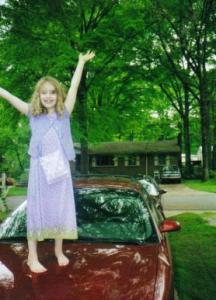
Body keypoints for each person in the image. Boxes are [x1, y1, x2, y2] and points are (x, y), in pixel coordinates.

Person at [0, 50, 95, 273]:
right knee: (37, 209)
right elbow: (9, 96)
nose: (49, 96)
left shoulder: (64, 114)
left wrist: (80, 62)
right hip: (39, 171)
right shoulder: (32, 114)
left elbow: (74, 87)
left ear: (58, 95)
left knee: (60, 208)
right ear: (39, 96)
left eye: (53, 92)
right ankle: (32, 256)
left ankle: (58, 251)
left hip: (60, 170)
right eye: (44, 93)